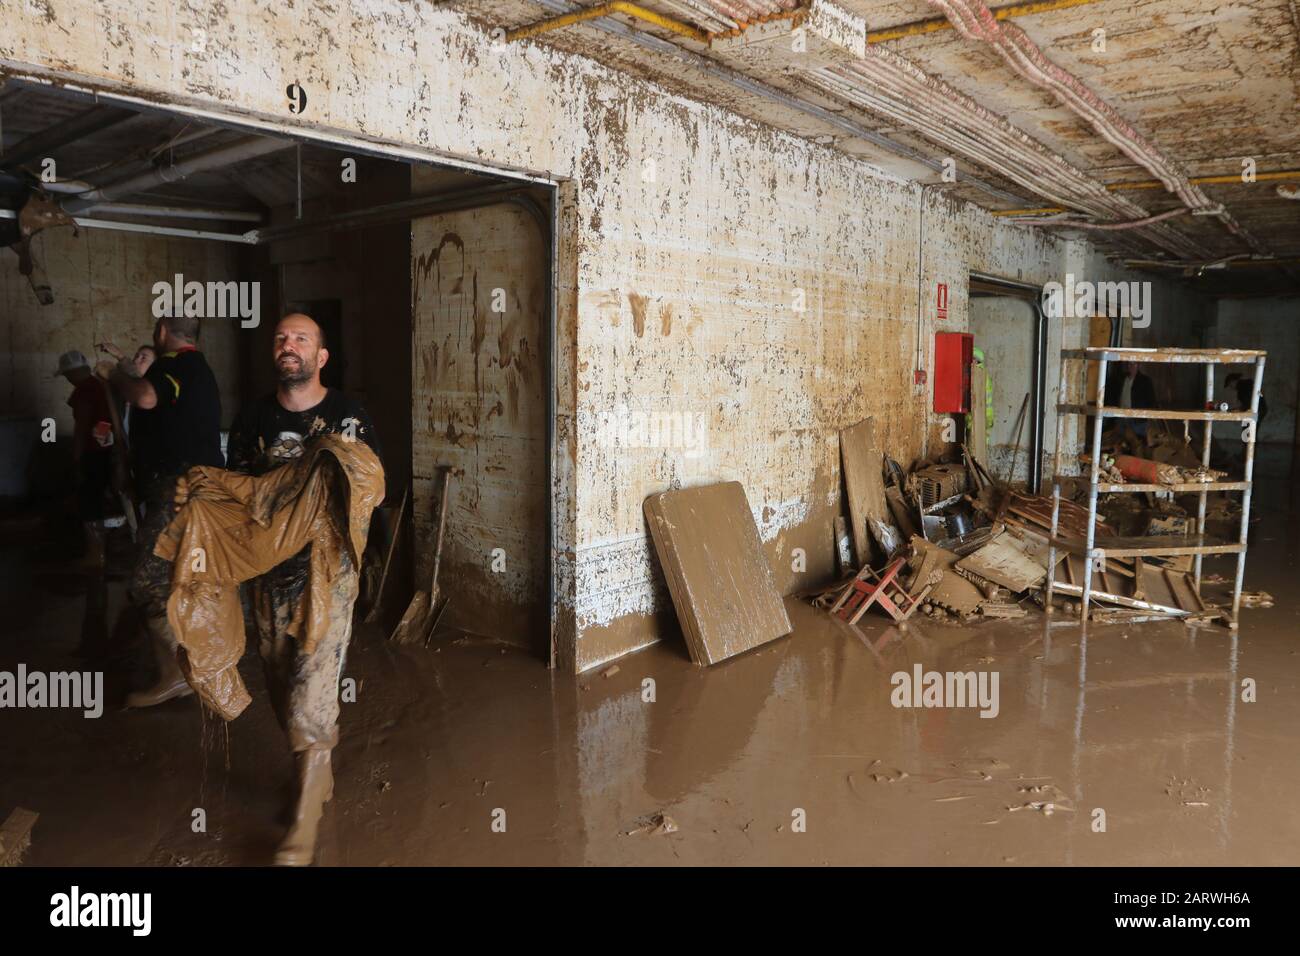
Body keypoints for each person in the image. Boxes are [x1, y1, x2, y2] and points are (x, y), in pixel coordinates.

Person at [226, 312, 379, 866]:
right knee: (278, 676)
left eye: (301, 340)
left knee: (312, 685)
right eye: (281, 339)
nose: (288, 346)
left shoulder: (348, 415)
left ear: (321, 357)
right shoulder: (253, 417)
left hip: (327, 574)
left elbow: (370, 488)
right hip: (269, 576)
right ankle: (317, 774)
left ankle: (305, 819)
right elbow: (240, 492)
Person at [107, 315, 223, 708]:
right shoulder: (199, 370)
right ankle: (191, 659)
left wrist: (117, 375)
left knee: (147, 582)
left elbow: (144, 397)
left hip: (177, 490)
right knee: (180, 577)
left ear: (161, 333)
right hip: (194, 488)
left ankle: (179, 673)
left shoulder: (175, 366)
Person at [54, 350, 115, 570]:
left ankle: (95, 555)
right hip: (105, 450)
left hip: (92, 454)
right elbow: (105, 424)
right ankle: (99, 552)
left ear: (73, 372)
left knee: (90, 503)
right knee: (97, 500)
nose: (67, 379)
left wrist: (76, 459)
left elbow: (81, 429)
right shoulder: (100, 386)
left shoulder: (83, 392)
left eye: (67, 375)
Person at [1104, 360, 1156, 438]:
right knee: (1121, 441)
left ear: (1138, 365)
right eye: (1129, 364)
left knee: (1138, 442)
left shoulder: (1145, 381)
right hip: (1121, 418)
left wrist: (1149, 417)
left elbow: (1151, 400)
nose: (1131, 366)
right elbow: (1114, 396)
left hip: (1137, 420)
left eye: (1134, 364)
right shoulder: (1121, 379)